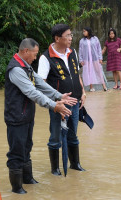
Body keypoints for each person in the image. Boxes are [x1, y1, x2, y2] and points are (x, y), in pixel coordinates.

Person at [4, 38, 77, 194]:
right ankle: (17, 189)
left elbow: (40, 84)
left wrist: (58, 96)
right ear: (25, 51)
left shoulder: (26, 67)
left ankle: (28, 179)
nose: (36, 57)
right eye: (35, 54)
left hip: (27, 116)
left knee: (27, 147)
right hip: (16, 118)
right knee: (16, 152)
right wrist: (53, 105)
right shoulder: (16, 69)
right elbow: (32, 92)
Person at [38, 24, 87, 176]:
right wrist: (56, 103)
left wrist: (83, 92)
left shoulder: (73, 52)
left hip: (76, 102)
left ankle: (75, 164)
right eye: (68, 36)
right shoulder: (46, 58)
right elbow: (41, 83)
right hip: (59, 106)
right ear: (57, 38)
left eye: (71, 35)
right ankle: (55, 169)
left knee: (73, 134)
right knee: (55, 137)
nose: (71, 38)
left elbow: (77, 75)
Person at [79, 27, 107, 92]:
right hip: (87, 59)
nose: (84, 33)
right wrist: (81, 60)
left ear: (88, 31)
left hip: (95, 58)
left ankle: (104, 86)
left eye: (85, 31)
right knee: (89, 72)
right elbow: (80, 51)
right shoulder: (82, 41)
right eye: (83, 31)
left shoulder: (95, 39)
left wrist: (100, 58)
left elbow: (98, 48)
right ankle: (91, 87)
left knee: (99, 71)